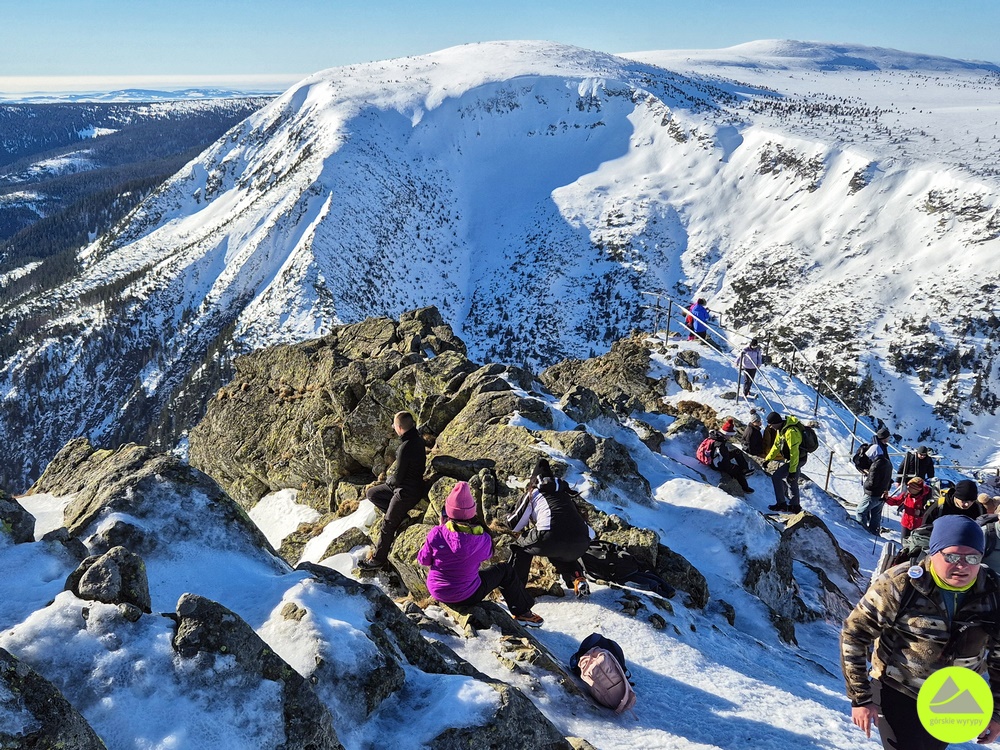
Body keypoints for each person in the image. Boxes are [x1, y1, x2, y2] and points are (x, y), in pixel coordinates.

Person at [840, 515, 1000, 749]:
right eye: (952, 556)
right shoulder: (900, 584)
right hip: (899, 689)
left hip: (955, 698)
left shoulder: (993, 591)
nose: (962, 565)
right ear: (933, 553)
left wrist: (997, 713)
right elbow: (855, 634)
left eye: (972, 557)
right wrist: (860, 697)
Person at [417, 481, 544, 627]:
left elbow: (423, 560)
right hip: (467, 595)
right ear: (472, 512)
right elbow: (487, 555)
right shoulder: (482, 538)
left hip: (437, 591)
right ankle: (523, 612)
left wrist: (442, 529)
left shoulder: (436, 533)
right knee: (505, 570)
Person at [507, 459, 594, 597]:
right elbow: (590, 531)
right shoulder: (565, 494)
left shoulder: (534, 493)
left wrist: (508, 514)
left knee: (520, 547)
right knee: (561, 547)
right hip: (581, 541)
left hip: (551, 536)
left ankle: (515, 592)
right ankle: (578, 578)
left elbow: (515, 525)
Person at [359, 411, 426, 570]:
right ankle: (401, 518)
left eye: (394, 425)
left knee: (388, 524)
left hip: (405, 492)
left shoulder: (405, 447)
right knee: (372, 493)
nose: (393, 427)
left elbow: (398, 478)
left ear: (399, 427)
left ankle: (378, 560)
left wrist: (389, 480)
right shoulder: (418, 440)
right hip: (413, 486)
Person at [764, 412, 807, 513]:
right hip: (795, 459)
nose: (770, 427)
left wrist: (792, 471)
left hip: (797, 459)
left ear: (776, 422)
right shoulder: (781, 430)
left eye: (771, 424)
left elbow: (794, 453)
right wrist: (768, 459)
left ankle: (781, 504)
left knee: (776, 477)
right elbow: (776, 446)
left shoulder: (791, 432)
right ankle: (795, 506)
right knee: (792, 481)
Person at [699, 419, 754, 493]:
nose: (731, 437)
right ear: (726, 434)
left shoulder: (716, 436)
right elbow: (724, 462)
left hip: (715, 458)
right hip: (716, 464)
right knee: (738, 470)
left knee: (736, 451)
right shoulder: (720, 445)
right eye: (731, 435)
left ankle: (745, 469)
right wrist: (732, 468)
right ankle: (745, 488)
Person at [856, 427, 893, 535]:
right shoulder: (887, 462)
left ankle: (862, 533)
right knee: (876, 515)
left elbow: (872, 482)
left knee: (860, 512)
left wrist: (866, 486)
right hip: (883, 492)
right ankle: (874, 533)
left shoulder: (876, 464)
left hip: (873, 494)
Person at [883, 476, 931, 541]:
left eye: (910, 487)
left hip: (919, 525)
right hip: (906, 523)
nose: (908, 488)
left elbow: (930, 512)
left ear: (917, 489)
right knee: (904, 542)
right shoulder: (907, 494)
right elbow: (897, 501)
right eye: (908, 486)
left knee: (915, 544)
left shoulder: (926, 497)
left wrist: (921, 513)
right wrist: (887, 498)